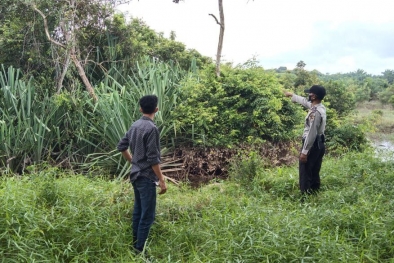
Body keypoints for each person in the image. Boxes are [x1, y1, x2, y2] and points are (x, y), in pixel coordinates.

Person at [117, 95, 167, 253]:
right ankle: (139, 251)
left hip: (135, 175)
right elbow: (153, 159)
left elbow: (121, 146)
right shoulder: (152, 129)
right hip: (146, 177)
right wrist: (161, 179)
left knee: (138, 211)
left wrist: (133, 162)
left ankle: (135, 246)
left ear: (140, 109)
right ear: (156, 110)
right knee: (147, 215)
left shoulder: (135, 125)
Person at [284, 85, 327, 196]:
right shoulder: (319, 108)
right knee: (315, 169)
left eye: (310, 93)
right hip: (320, 143)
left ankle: (305, 196)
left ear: (314, 96)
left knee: (305, 170)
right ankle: (315, 192)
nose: (308, 95)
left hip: (312, 144)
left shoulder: (315, 113)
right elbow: (304, 102)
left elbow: (311, 134)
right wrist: (292, 95)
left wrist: (304, 151)